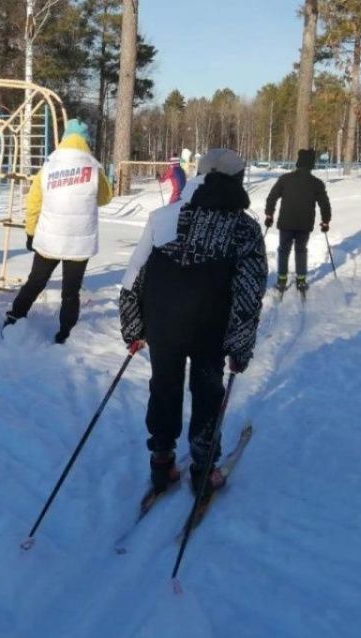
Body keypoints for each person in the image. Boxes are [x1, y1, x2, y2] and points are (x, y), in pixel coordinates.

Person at [119, 148, 267, 495]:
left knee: (164, 387)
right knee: (207, 393)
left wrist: (133, 325)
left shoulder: (165, 216)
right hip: (209, 330)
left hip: (163, 324)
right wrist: (240, 345)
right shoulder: (243, 228)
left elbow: (134, 276)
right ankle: (203, 467)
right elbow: (248, 292)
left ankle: (161, 459)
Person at [3, 119, 113, 344]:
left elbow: (34, 202)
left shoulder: (49, 166)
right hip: (79, 242)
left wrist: (31, 232)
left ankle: (15, 316)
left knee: (36, 281)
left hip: (49, 238)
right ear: (86, 141)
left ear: (64, 139)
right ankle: (65, 332)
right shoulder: (93, 168)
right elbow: (105, 198)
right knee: (70, 291)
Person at [264, 148, 332, 296]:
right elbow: (324, 204)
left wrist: (269, 214)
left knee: (283, 250)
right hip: (305, 224)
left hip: (286, 223)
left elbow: (272, 197)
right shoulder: (316, 183)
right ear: (311, 165)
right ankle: (301, 280)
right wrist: (325, 221)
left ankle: (282, 280)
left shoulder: (285, 179)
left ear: (298, 162)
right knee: (301, 250)